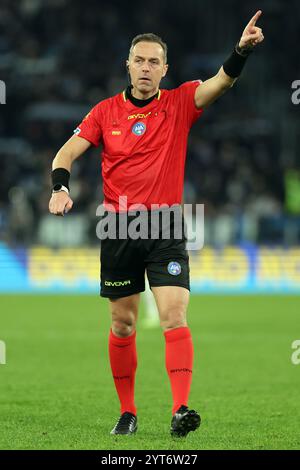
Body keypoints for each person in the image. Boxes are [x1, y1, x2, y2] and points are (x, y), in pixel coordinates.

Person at [49, 11, 264, 437]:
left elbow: (221, 81)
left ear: (165, 70)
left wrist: (239, 51)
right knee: (123, 324)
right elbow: (65, 154)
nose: (146, 68)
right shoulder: (104, 112)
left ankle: (180, 409)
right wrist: (59, 187)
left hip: (165, 226)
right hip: (119, 229)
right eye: (139, 60)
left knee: (173, 315)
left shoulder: (181, 102)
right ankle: (127, 412)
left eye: (154, 62)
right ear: (127, 65)